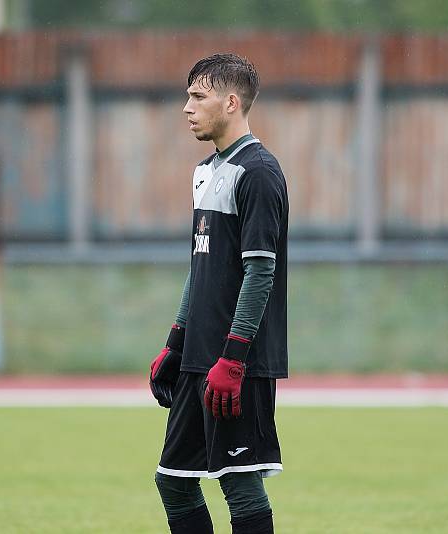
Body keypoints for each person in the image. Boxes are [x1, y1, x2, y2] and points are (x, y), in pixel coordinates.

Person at [149, 53, 289, 534]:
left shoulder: (259, 174)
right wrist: (175, 340)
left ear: (231, 103)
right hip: (198, 359)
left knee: (240, 485)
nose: (186, 107)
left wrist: (233, 359)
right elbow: (199, 267)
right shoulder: (206, 171)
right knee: (174, 481)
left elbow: (260, 274)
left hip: (234, 362)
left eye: (197, 96)